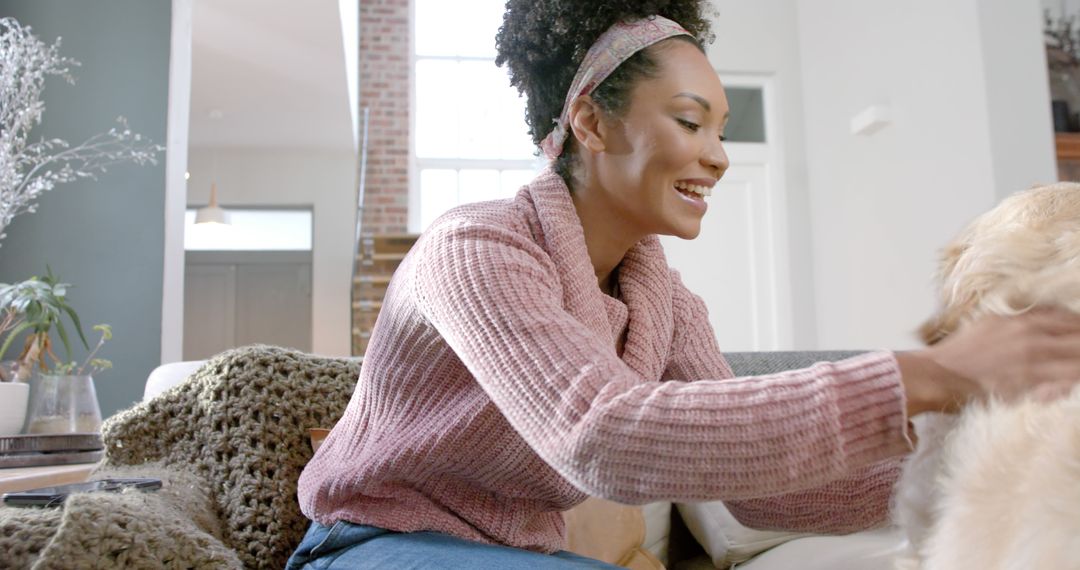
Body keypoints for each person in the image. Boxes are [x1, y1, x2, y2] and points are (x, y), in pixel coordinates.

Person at [288, 1, 1080, 568]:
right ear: (592, 124)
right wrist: (928, 376)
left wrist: (970, 463)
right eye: (691, 121)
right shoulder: (474, 249)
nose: (719, 155)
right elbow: (600, 436)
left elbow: (767, 498)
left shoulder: (665, 304)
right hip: (371, 544)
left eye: (722, 131)